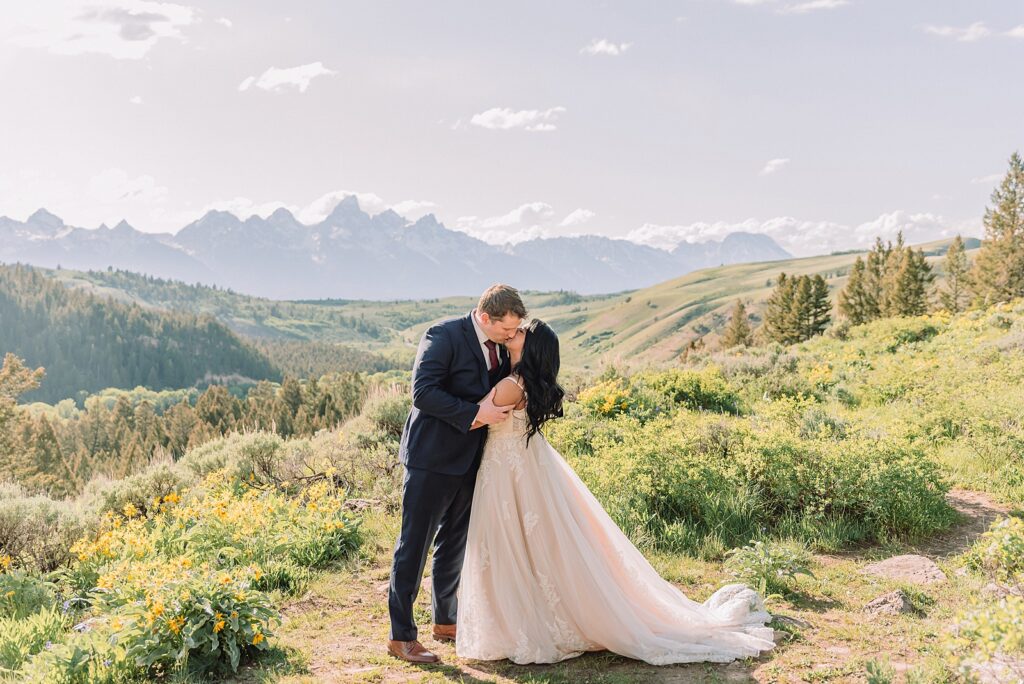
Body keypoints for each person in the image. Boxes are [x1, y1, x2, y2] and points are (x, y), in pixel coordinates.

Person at [456, 319, 776, 665]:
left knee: (513, 543)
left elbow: (473, 418)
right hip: (523, 468)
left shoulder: (510, 385)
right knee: (532, 545)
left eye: (520, 332)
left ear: (531, 347)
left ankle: (521, 621)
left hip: (508, 472)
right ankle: (529, 614)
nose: (512, 332)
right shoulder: (526, 382)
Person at [386, 284, 528, 664]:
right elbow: (423, 392)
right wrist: (475, 416)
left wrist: (515, 353)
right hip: (430, 459)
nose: (512, 335)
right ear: (485, 318)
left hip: (470, 460)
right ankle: (400, 636)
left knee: (454, 544)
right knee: (413, 545)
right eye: (506, 330)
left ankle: (445, 620)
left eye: (516, 329)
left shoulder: (504, 345)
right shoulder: (443, 335)